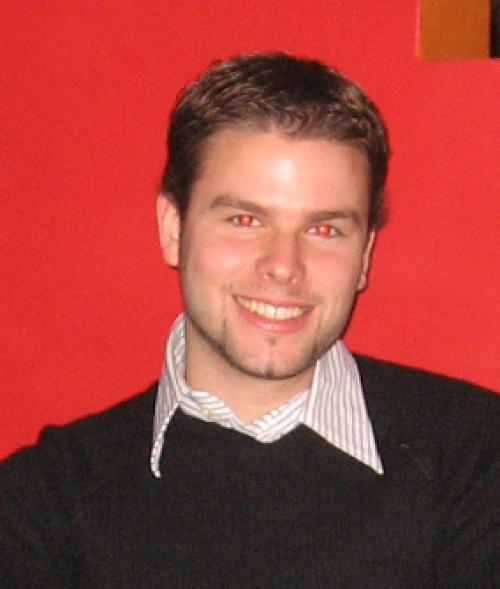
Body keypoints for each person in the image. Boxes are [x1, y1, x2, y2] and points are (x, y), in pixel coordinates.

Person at [1, 52, 499, 589]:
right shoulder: (45, 501)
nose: (283, 266)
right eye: (245, 220)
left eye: (324, 230)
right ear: (173, 228)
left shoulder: (477, 458)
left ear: (365, 256)